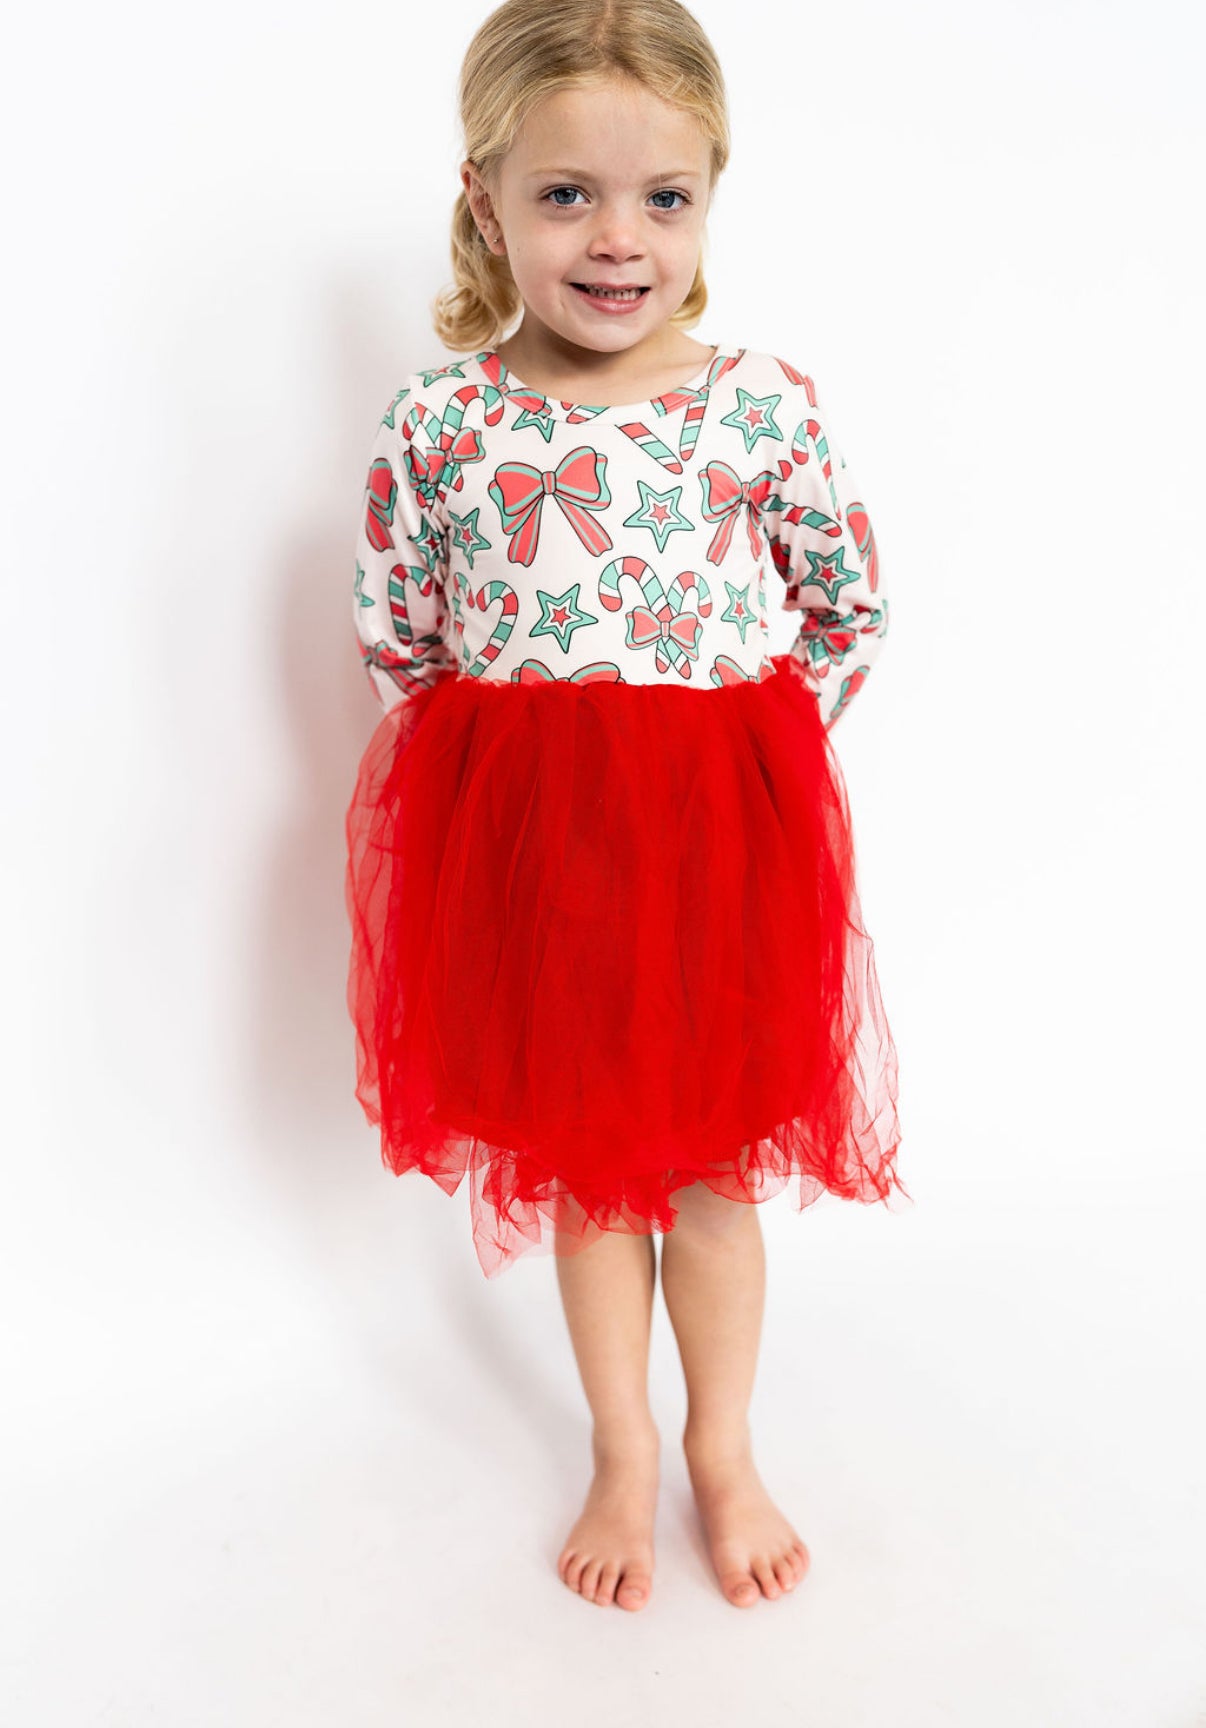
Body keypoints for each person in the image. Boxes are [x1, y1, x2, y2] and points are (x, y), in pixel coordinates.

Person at [344, 0, 912, 1613]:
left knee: (716, 1175)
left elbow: (847, 604)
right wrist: (512, 799)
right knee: (589, 1174)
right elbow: (399, 633)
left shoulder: (755, 402)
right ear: (483, 200)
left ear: (710, 199)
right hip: (539, 867)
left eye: (663, 197)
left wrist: (743, 766)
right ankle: (620, 1446)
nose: (617, 238)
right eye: (565, 195)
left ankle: (721, 1446)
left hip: (718, 858)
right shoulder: (443, 420)